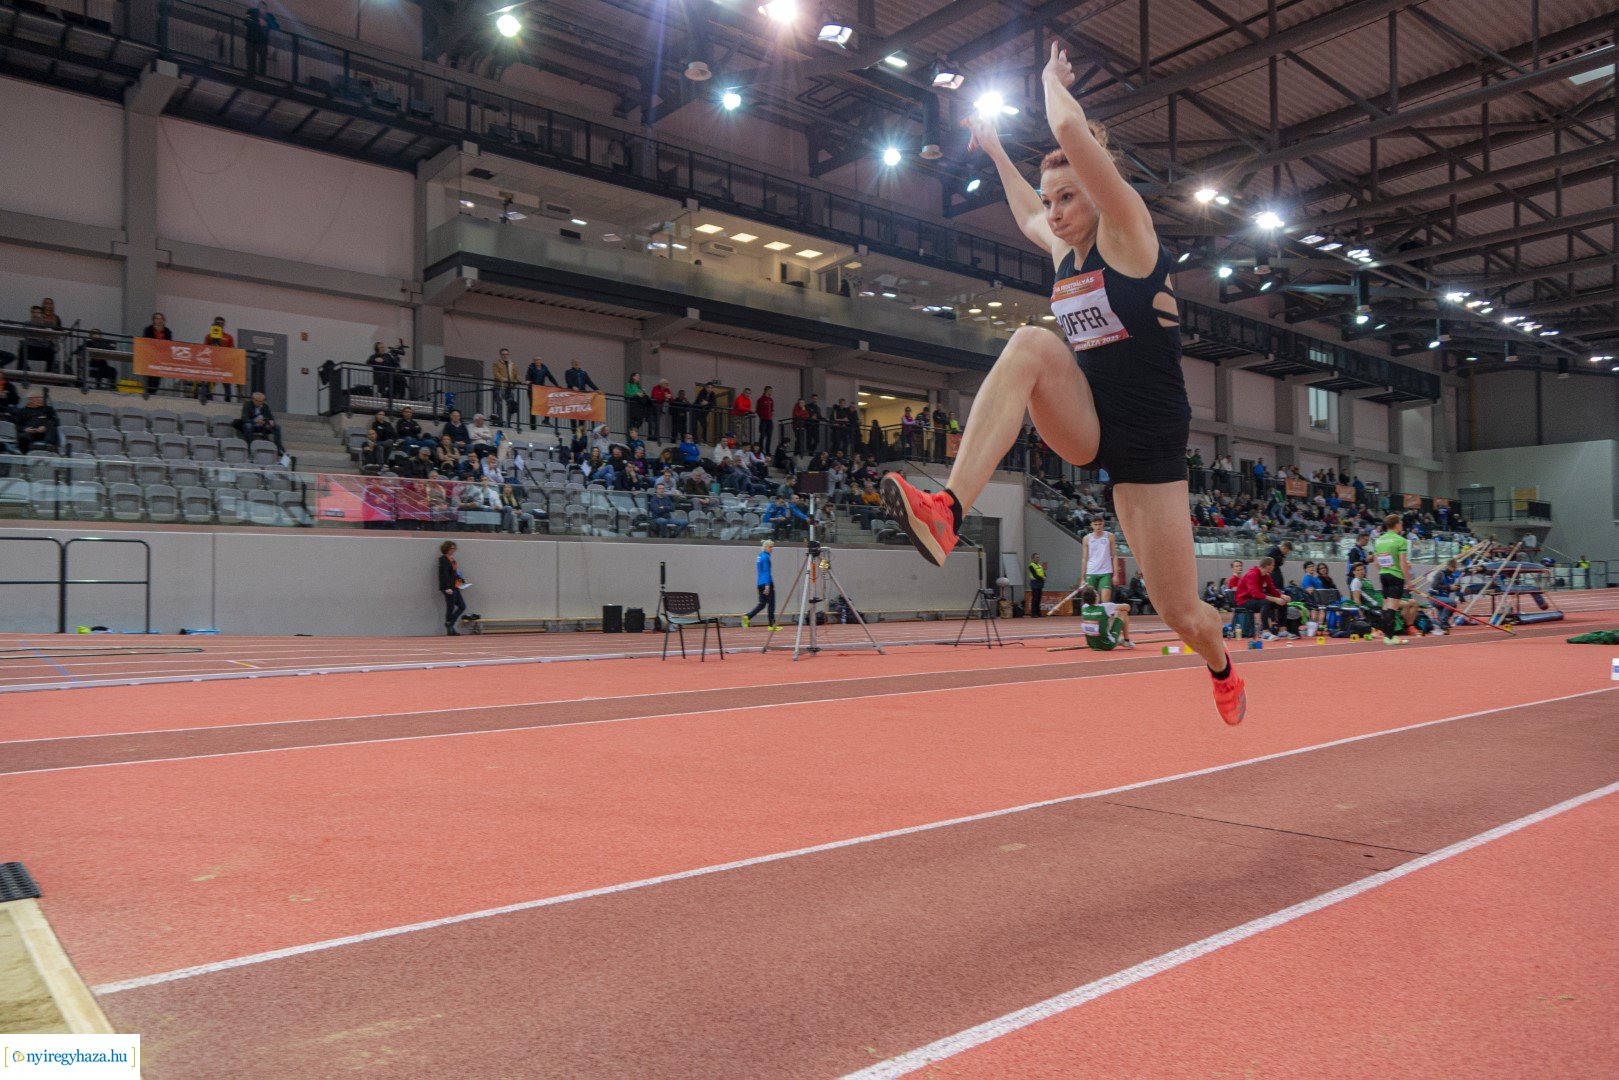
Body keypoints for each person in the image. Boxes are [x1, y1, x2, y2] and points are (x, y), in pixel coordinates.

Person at [878, 42, 1243, 723]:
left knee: (1180, 613)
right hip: (1090, 420)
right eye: (1051, 200)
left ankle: (1219, 660)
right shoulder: (1061, 247)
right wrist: (992, 151)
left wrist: (1049, 82)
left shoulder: (1129, 231)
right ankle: (949, 508)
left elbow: (1072, 133)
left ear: (1099, 192)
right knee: (1028, 343)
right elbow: (1023, 209)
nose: (1053, 211)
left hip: (1150, 443)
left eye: (1067, 196)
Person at [1235, 556, 1294, 639]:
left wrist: (1282, 596)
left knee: (1283, 602)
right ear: (1267, 566)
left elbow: (1272, 590)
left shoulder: (1266, 575)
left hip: (1255, 599)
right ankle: (1265, 632)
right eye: (1273, 565)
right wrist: (1275, 599)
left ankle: (1282, 631)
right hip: (1244, 601)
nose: (1274, 567)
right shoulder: (1252, 574)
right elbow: (1255, 593)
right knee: (1265, 602)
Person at [1372, 513, 1411, 637]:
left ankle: (1386, 635)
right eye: (1401, 523)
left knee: (1385, 606)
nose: (1402, 525)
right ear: (1396, 525)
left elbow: (1375, 561)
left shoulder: (1378, 540)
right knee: (1392, 608)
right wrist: (1408, 581)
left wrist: (1383, 570)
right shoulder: (1401, 540)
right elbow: (1402, 562)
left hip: (1384, 575)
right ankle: (1390, 637)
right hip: (1396, 576)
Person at [1078, 586, 1135, 650]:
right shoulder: (1105, 606)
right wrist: (1113, 608)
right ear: (1096, 597)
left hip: (1092, 645)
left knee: (1105, 618)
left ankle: (1115, 637)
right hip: (1108, 645)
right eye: (1097, 593)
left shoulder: (1084, 608)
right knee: (1123, 612)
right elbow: (1127, 607)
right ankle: (1126, 640)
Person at [741, 538, 781, 631]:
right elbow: (767, 571)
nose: (772, 549)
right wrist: (767, 586)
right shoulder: (766, 557)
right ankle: (771, 625)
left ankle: (747, 617)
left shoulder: (759, 556)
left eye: (773, 547)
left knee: (762, 604)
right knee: (771, 604)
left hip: (759, 583)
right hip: (767, 583)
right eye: (771, 547)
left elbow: (761, 571)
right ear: (766, 547)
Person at [1080, 516, 1116, 601]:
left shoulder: (1109, 536)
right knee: (1091, 601)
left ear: (1103, 524)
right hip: (1091, 571)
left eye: (1100, 524)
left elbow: (1114, 556)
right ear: (1091, 525)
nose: (1098, 527)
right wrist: (1082, 578)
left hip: (1105, 571)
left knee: (1105, 602)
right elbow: (1084, 559)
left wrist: (1116, 575)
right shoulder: (1087, 538)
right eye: (1095, 524)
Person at [437, 540, 468, 635]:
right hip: (449, 587)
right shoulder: (443, 559)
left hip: (455, 586)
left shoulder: (452, 559)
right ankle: (450, 627)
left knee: (462, 606)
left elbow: (455, 572)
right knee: (450, 607)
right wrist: (447, 587)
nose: (453, 550)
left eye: (454, 548)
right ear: (446, 548)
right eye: (452, 548)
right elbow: (443, 574)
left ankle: (450, 623)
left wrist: (462, 580)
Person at [141, 312, 174, 395]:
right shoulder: (148, 329)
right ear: (153, 320)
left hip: (160, 358)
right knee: (149, 377)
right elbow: (146, 342)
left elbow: (169, 344)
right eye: (157, 318)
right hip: (150, 356)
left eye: (160, 318)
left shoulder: (168, 331)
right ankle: (148, 392)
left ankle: (153, 392)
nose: (159, 320)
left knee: (157, 378)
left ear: (163, 320)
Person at [526, 356, 560, 431]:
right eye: (536, 360)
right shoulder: (531, 367)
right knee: (533, 407)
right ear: (534, 361)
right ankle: (533, 425)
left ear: (541, 361)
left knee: (545, 404)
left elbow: (550, 377)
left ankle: (546, 420)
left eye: (539, 360)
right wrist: (527, 381)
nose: (537, 361)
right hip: (532, 390)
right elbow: (528, 376)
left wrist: (557, 385)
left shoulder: (544, 368)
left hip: (541, 390)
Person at [492, 348, 520, 427]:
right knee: (499, 404)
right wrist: (503, 379)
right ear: (501, 355)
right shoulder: (496, 363)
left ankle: (508, 423)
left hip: (509, 387)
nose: (505, 356)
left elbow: (516, 375)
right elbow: (496, 374)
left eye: (506, 354)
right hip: (499, 386)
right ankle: (500, 422)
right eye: (503, 354)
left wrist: (520, 381)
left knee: (511, 405)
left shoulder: (512, 364)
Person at [755, 385, 776, 453]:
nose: (771, 392)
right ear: (766, 391)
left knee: (769, 436)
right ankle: (760, 449)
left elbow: (772, 409)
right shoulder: (760, 400)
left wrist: (771, 415)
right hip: (763, 420)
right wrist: (762, 416)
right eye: (770, 391)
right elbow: (757, 410)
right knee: (762, 435)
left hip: (770, 420)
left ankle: (768, 450)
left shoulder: (771, 400)